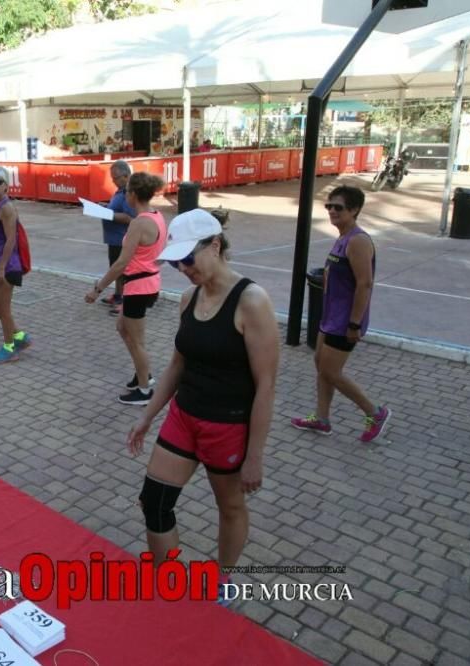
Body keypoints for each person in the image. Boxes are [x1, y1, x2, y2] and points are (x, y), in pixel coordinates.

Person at [127, 208, 279, 605]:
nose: (182, 268)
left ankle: (225, 578)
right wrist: (147, 416)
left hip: (227, 426)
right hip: (184, 416)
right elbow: (179, 362)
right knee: (154, 502)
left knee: (229, 505)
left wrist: (255, 456)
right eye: (175, 261)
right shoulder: (188, 297)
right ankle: (169, 584)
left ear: (215, 245)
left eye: (187, 258)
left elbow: (266, 385)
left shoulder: (252, 301)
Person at [291, 185, 391, 443]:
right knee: (320, 365)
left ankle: (375, 412)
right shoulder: (342, 237)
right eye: (329, 206)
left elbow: (365, 284)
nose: (332, 211)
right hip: (330, 317)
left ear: (355, 210)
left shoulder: (358, 241)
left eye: (339, 207)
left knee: (332, 372)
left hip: (345, 321)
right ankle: (322, 419)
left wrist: (354, 324)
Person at [84, 172, 167, 405]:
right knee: (123, 328)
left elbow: (121, 263)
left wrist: (97, 289)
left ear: (132, 194)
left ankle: (144, 390)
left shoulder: (139, 223)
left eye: (126, 192)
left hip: (139, 286)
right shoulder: (157, 215)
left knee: (137, 340)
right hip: (146, 283)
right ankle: (143, 374)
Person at [0, 166, 31, 364]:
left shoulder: (7, 208)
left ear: (6, 186)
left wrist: (2, 267)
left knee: (3, 310)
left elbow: (11, 240)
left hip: (8, 266)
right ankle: (20, 337)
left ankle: (10, 348)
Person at [98, 161, 136, 315]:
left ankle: (125, 301)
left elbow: (129, 217)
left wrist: (109, 214)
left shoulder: (128, 192)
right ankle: (118, 295)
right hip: (114, 239)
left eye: (115, 178)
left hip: (122, 238)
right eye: (112, 178)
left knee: (122, 270)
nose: (113, 181)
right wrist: (105, 208)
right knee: (116, 269)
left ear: (126, 176)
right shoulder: (120, 190)